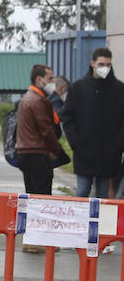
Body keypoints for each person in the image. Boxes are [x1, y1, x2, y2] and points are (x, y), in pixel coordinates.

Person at [60, 48, 124, 198]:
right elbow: (68, 117)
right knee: (82, 191)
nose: (105, 68)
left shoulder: (119, 89)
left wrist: (118, 144)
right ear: (92, 63)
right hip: (84, 153)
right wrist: (76, 142)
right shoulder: (78, 88)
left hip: (109, 154)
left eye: (108, 64)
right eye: (101, 64)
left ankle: (100, 222)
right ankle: (80, 222)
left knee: (102, 195)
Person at [15, 64, 66, 196]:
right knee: (42, 198)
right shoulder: (38, 101)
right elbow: (46, 130)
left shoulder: (26, 98)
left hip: (25, 152)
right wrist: (57, 151)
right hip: (38, 154)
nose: (52, 82)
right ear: (39, 80)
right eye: (50, 78)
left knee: (31, 194)